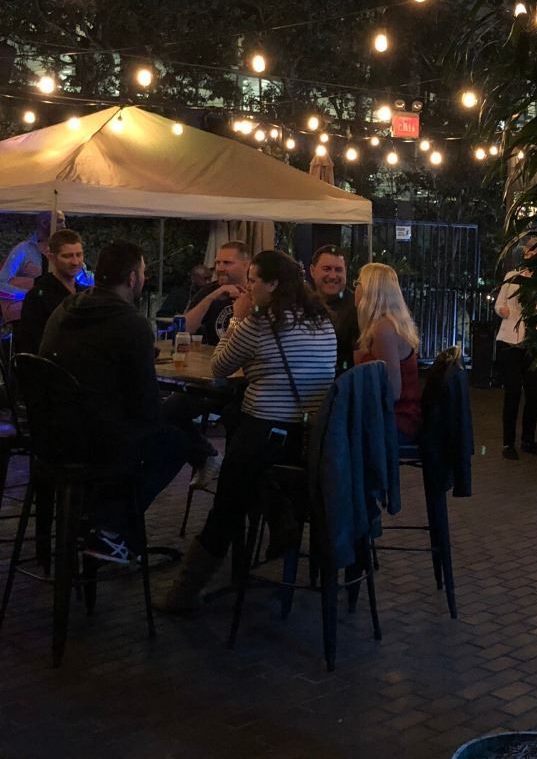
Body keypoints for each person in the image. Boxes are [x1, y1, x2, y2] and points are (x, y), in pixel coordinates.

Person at [158, 250, 336, 612]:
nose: (249, 287)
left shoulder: (260, 322)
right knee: (242, 451)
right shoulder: (322, 320)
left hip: (265, 436)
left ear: (273, 284)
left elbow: (220, 367)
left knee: (226, 505)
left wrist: (238, 319)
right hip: (308, 440)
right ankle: (279, 517)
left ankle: (183, 594)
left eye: (254, 281)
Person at [39, 240, 189, 564]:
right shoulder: (131, 322)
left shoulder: (66, 308)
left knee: (167, 428)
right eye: (143, 273)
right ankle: (108, 528)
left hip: (49, 432)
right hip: (96, 443)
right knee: (176, 443)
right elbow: (146, 409)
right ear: (132, 278)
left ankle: (99, 521)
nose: (144, 278)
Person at [354, 263, 423, 445]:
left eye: (358, 283)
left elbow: (393, 391)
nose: (355, 288)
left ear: (371, 290)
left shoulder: (384, 329)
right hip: (394, 416)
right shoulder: (387, 325)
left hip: (397, 421)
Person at [494, 241, 537, 460]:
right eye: (529, 250)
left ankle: (528, 439)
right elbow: (499, 303)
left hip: (533, 343)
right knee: (513, 392)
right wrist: (503, 310)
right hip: (510, 341)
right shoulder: (512, 276)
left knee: (534, 393)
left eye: (535, 250)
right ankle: (508, 442)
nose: (530, 254)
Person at [12, 228, 85, 356]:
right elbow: (30, 343)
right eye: (67, 256)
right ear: (52, 257)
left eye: (79, 255)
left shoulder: (84, 294)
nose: (75, 262)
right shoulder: (37, 297)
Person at [0, 211, 64, 327]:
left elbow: (83, 279)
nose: (64, 226)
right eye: (60, 221)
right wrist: (30, 295)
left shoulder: (64, 252)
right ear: (44, 223)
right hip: (27, 321)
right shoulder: (23, 250)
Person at [182, 241, 250, 345]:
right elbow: (184, 329)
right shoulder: (209, 291)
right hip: (213, 353)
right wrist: (212, 297)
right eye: (217, 263)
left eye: (227, 263)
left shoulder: (256, 292)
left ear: (245, 265)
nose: (219, 268)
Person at [308, 244, 358, 375]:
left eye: (338, 270)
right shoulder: (301, 305)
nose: (332, 275)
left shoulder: (358, 307)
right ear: (312, 271)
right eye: (327, 269)